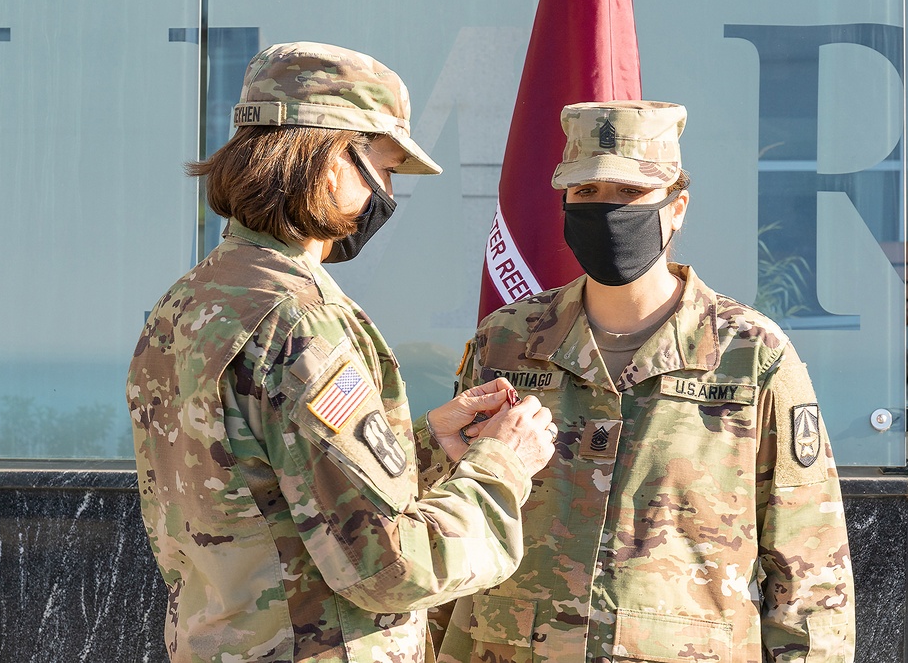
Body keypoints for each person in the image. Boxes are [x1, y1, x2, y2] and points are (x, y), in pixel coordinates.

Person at [126, 42, 556, 663]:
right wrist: (503, 465)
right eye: (382, 167)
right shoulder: (299, 317)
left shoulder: (188, 302)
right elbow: (391, 569)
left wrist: (427, 446)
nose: (385, 193)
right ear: (331, 162)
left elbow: (260, 485)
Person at [436, 101, 855, 662]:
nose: (605, 209)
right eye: (585, 194)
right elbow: (455, 517)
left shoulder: (749, 353)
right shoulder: (507, 340)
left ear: (677, 207)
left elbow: (809, 569)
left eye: (629, 193)